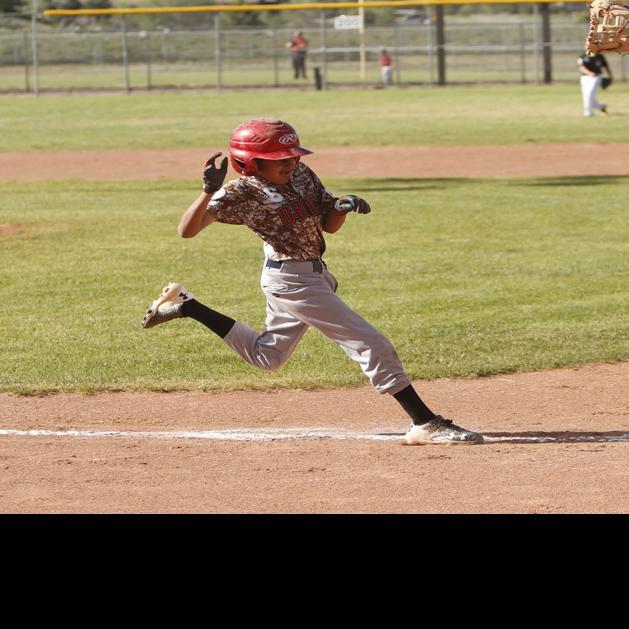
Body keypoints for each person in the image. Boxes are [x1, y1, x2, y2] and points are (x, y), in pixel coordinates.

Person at [139, 118, 483, 445]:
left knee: (267, 357)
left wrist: (341, 207)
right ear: (250, 163)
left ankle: (187, 306)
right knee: (371, 343)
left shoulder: (301, 175)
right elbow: (188, 230)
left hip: (309, 275)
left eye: (291, 155)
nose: (289, 162)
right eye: (277, 159)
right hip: (292, 282)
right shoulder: (242, 192)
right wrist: (207, 191)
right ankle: (425, 422)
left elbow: (328, 224)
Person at [578, 51, 611, 117]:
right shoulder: (582, 55)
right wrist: (589, 73)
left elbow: (606, 66)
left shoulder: (599, 56)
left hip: (596, 77)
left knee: (590, 94)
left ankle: (588, 113)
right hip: (585, 77)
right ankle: (601, 106)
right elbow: (581, 67)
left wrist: (610, 76)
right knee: (586, 96)